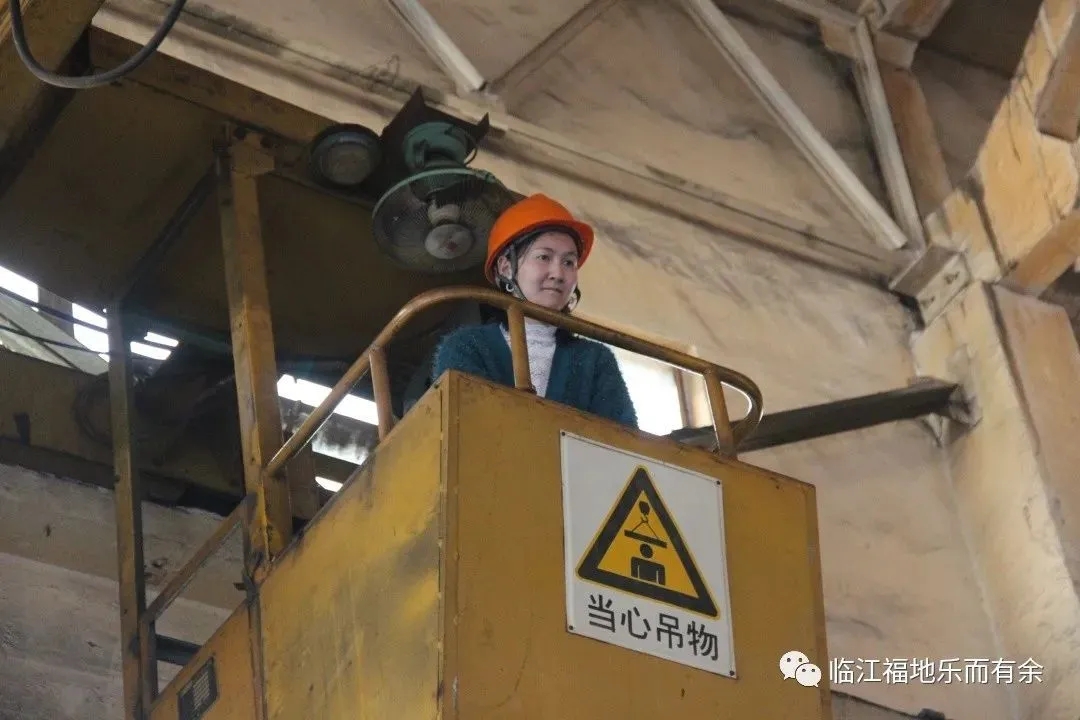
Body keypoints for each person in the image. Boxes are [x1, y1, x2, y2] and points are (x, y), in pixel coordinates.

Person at [431, 193, 638, 429]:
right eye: (544, 257)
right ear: (506, 268)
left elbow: (623, 440)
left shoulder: (595, 360)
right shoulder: (467, 347)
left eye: (568, 262)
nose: (558, 274)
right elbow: (461, 429)